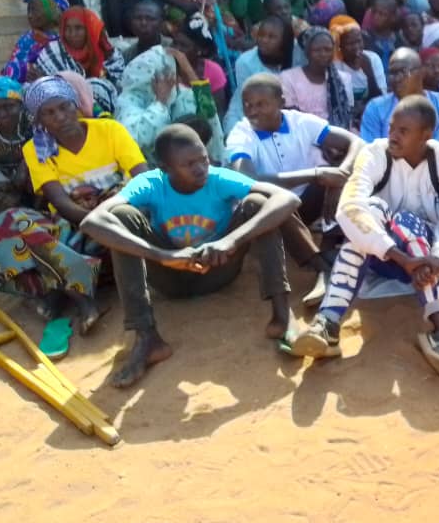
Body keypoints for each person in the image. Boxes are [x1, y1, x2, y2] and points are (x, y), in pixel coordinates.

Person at [81, 124, 300, 386]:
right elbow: (92, 222)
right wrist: (160, 254)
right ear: (165, 168)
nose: (200, 168)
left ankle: (282, 315)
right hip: (170, 276)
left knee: (258, 204)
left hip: (219, 268)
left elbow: (287, 199)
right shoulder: (150, 184)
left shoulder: (219, 178)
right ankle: (146, 336)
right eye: (188, 164)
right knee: (120, 217)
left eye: (203, 159)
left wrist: (231, 241)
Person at [289, 96, 439, 377]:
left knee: (408, 222)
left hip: (428, 264)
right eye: (391, 128)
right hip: (386, 257)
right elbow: (349, 208)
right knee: (366, 215)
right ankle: (328, 325)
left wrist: (438, 258)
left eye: (403, 131)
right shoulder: (373, 153)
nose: (392, 136)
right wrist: (399, 256)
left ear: (426, 135)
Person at [228, 73, 364, 302]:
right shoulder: (241, 133)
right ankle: (324, 266)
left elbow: (356, 143)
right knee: (276, 199)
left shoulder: (300, 122)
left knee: (341, 179)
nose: (252, 111)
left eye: (261, 104)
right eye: (248, 105)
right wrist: (315, 174)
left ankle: (333, 253)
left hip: (304, 206)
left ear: (281, 102)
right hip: (270, 213)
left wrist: (339, 177)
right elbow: (246, 178)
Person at [22, 75, 149, 306]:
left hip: (118, 209)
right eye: (49, 113)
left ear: (76, 104)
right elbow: (60, 202)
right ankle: (80, 288)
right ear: (39, 119)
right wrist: (97, 224)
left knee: (127, 204)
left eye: (64, 107)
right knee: (20, 227)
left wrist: (111, 216)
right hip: (74, 222)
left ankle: (67, 286)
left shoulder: (110, 130)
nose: (60, 117)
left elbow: (142, 176)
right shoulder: (36, 149)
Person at [360, 48, 439, 148]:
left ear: (421, 73)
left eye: (403, 71)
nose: (397, 78)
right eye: (392, 73)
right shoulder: (375, 108)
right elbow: (370, 153)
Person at [35, 7, 124, 114]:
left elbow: (120, 86)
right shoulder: (53, 53)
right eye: (67, 28)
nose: (72, 34)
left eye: (78, 28)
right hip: (65, 112)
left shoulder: (109, 53)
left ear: (91, 29)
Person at [280, 28, 355, 129]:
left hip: (338, 134)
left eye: (328, 49)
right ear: (307, 52)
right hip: (302, 134)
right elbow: (291, 116)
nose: (323, 54)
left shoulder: (344, 79)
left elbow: (347, 113)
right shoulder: (288, 78)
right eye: (317, 50)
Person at [3, 0, 70, 83]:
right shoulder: (27, 38)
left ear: (53, 10)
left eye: (35, 10)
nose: (30, 16)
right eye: (28, 10)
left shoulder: (65, 41)